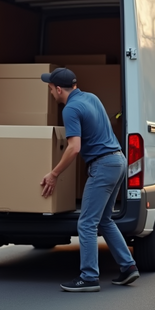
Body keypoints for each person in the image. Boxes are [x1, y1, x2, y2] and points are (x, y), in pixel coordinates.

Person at [39, 67, 139, 292]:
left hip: (104, 165)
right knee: (104, 220)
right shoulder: (91, 97)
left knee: (86, 222)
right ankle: (129, 266)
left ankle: (89, 276)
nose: (51, 94)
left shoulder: (71, 108)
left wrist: (53, 174)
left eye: (50, 89)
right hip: (118, 160)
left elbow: (74, 148)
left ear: (57, 89)